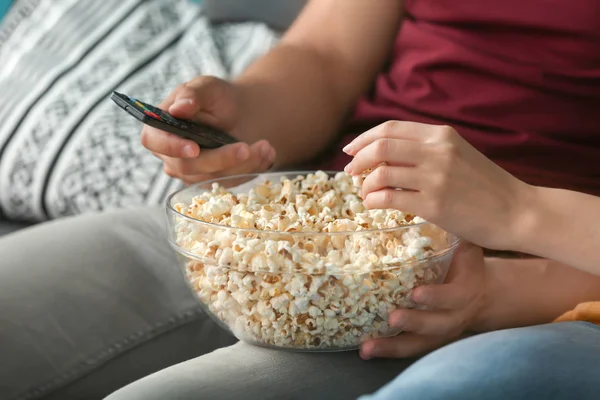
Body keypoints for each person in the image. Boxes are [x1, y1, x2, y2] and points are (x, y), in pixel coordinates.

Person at [1, 1, 599, 400]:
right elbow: (326, 56)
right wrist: (242, 114)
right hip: (285, 219)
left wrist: (515, 244)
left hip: (507, 281)